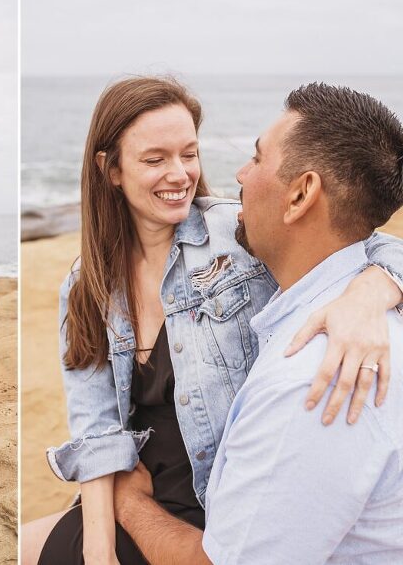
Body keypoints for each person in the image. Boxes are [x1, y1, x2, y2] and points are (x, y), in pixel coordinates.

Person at [21, 77, 403, 565]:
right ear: (111, 169)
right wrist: (99, 547)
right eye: (155, 159)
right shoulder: (86, 283)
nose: (179, 174)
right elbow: (95, 428)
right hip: (136, 493)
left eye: (190, 153)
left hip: (231, 497)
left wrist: (371, 292)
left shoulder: (240, 234)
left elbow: (358, 236)